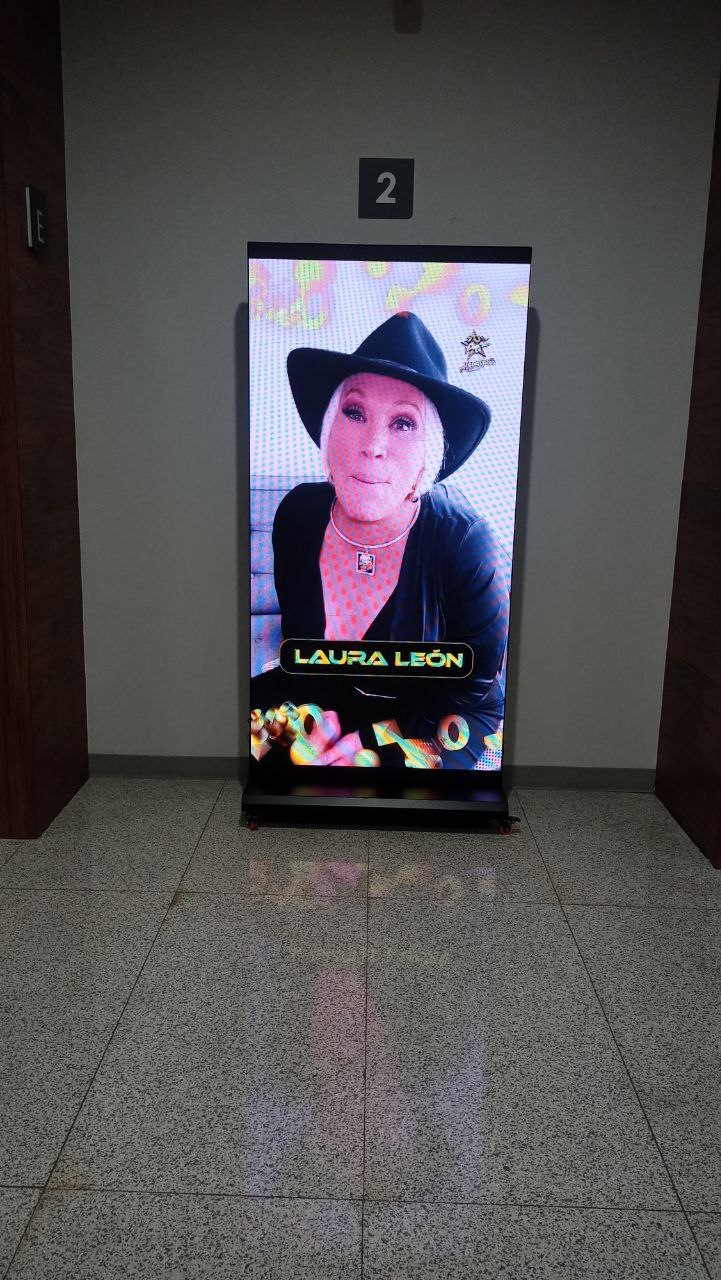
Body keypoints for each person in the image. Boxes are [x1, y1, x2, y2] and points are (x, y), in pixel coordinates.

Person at [251, 311, 509, 770]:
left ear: (429, 452)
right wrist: (317, 716)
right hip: (329, 694)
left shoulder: (469, 544)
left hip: (435, 715)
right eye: (355, 412)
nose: (372, 444)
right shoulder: (297, 514)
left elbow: (469, 688)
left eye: (403, 422)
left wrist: (367, 739)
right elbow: (299, 647)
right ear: (329, 431)